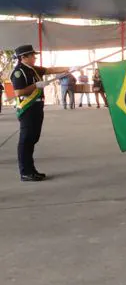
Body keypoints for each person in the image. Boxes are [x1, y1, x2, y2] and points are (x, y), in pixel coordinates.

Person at [10, 45, 75, 182]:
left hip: (37, 107)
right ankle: (25, 172)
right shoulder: (18, 72)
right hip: (27, 108)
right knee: (26, 140)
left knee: (33, 138)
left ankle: (31, 170)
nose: (34, 58)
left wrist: (67, 68)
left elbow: (49, 70)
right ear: (23, 57)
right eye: (32, 56)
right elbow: (18, 92)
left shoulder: (33, 69)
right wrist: (36, 86)